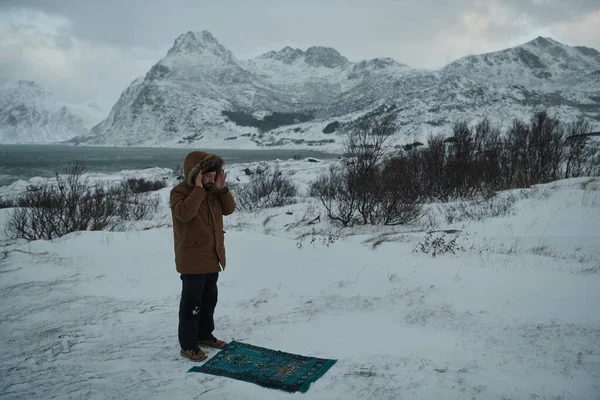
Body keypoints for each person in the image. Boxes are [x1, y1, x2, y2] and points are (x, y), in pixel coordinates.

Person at [170, 151, 236, 361]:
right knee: (192, 304)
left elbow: (229, 209)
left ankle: (205, 336)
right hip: (192, 259)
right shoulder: (179, 192)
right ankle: (188, 345)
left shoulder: (213, 191)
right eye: (207, 175)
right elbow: (183, 214)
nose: (211, 179)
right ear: (195, 174)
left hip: (212, 256)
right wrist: (198, 191)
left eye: (213, 175)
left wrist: (222, 189)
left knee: (209, 301)